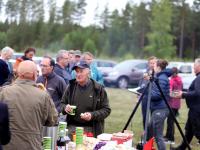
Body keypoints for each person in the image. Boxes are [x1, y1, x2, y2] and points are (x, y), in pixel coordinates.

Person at [0, 60, 58, 150]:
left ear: (18, 74)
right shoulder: (43, 95)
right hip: (32, 145)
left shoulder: (3, 92)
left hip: (7, 146)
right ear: (35, 75)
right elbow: (53, 120)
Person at [61, 60, 111, 138]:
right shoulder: (71, 87)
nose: (78, 74)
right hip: (72, 128)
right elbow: (62, 104)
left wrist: (92, 115)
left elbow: (106, 110)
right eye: (77, 72)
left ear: (88, 73)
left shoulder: (98, 89)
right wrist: (65, 108)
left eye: (81, 71)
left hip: (90, 130)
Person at [172, 58, 200, 150]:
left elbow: (197, 93)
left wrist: (183, 94)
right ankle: (181, 148)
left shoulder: (199, 78)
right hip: (194, 110)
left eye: (194, 65)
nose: (193, 67)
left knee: (198, 132)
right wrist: (183, 94)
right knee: (189, 131)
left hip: (197, 111)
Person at [147, 59, 172, 150]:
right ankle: (148, 147)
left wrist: (146, 94)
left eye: (154, 66)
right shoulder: (160, 76)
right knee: (149, 130)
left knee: (158, 136)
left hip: (161, 109)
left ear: (158, 67)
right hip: (157, 108)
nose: (153, 67)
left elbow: (158, 94)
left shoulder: (162, 78)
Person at [164, 67, 183, 143]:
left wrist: (167, 94)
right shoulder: (180, 80)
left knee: (170, 121)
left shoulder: (172, 80)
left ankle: (171, 139)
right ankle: (167, 136)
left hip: (172, 104)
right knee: (171, 120)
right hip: (177, 103)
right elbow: (179, 91)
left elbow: (170, 92)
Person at [139, 56, 157, 129]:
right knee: (145, 116)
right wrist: (139, 94)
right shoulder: (145, 72)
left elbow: (156, 85)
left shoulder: (158, 73)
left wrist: (151, 79)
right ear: (148, 64)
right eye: (151, 63)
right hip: (145, 97)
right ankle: (145, 131)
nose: (152, 65)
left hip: (154, 97)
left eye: (154, 63)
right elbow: (141, 83)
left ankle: (153, 133)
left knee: (153, 116)